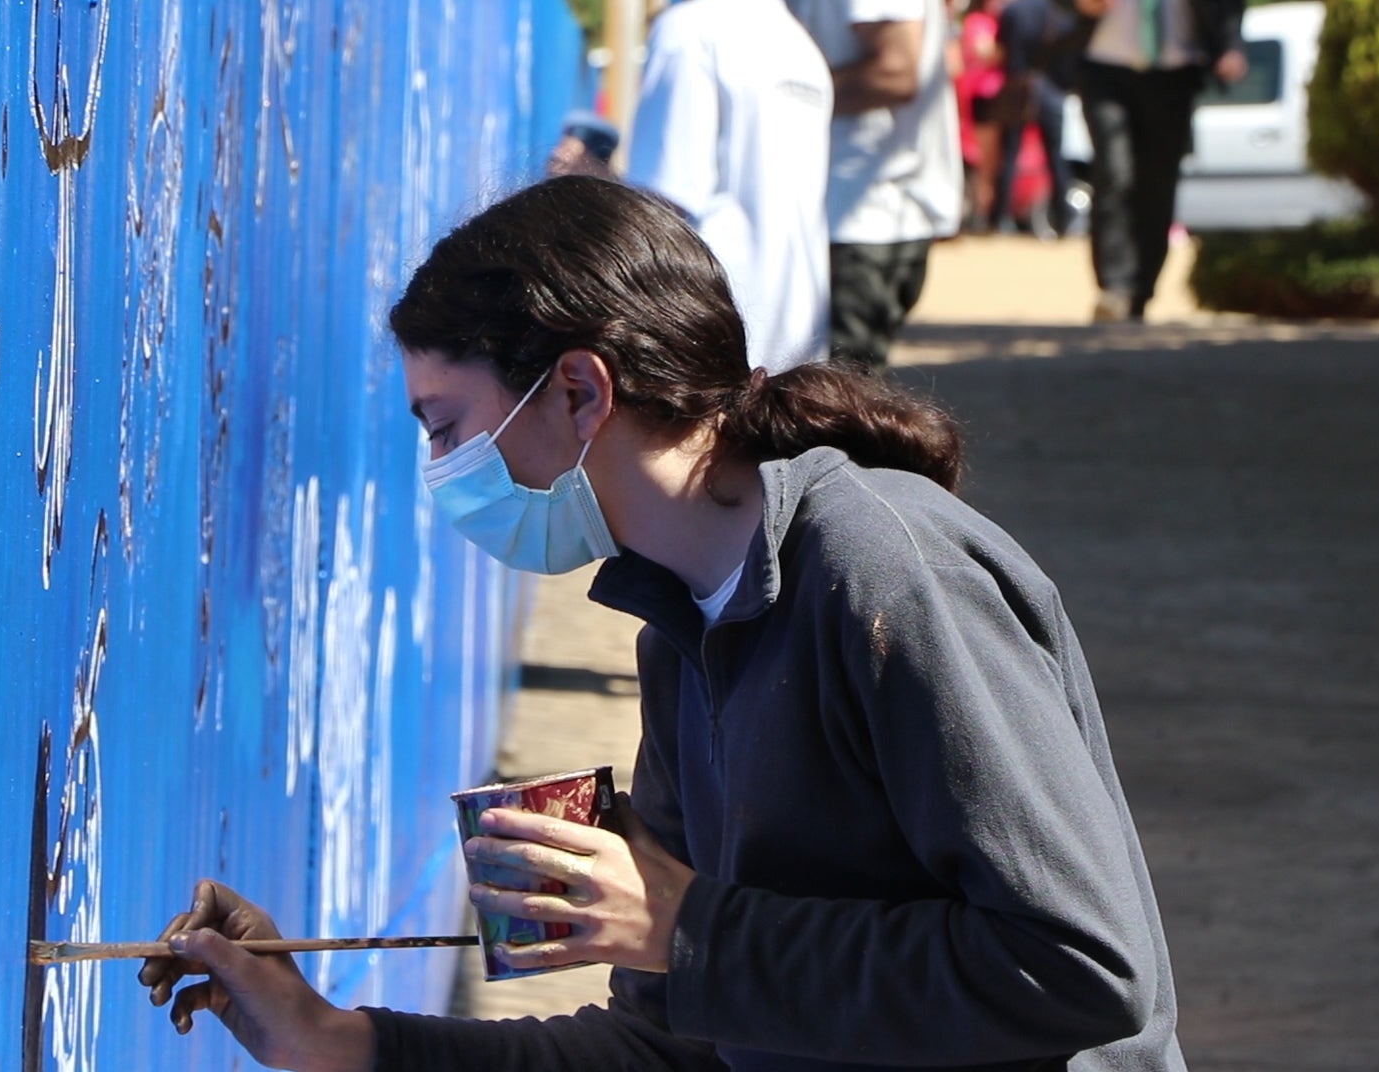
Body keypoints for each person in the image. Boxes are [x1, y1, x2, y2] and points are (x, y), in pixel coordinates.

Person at [139, 175, 1188, 1072]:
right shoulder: (678, 625)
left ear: (581, 392)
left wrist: (689, 927)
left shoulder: (885, 575)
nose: (442, 475)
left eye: (447, 428)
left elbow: (1089, 969)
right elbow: (668, 1048)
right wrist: (337, 1039)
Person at [622, 0, 835, 374]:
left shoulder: (687, 31)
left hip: (708, 340)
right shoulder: (800, 45)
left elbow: (659, 205)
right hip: (796, 343)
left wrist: (583, 177)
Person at [780, 0, 964, 369]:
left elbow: (895, 70)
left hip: (863, 217)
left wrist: (775, 96)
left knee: (837, 404)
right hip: (847, 214)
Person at [1056, 0, 1245, 321]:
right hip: (1105, 68)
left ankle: (1140, 290)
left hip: (1176, 72)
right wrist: (1078, 0)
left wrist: (1231, 45)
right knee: (1114, 172)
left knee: (1158, 184)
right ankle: (1114, 287)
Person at [990, 0, 1080, 235]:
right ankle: (1065, 218)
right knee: (1056, 157)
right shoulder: (1059, 10)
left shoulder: (1012, 10)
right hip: (1051, 89)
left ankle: (1001, 218)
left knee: (1009, 154)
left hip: (1017, 88)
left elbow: (1000, 49)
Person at [959, 0, 1014, 232]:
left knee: (995, 163)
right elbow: (983, 52)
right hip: (983, 96)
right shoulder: (978, 21)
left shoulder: (1001, 23)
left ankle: (988, 213)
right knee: (985, 162)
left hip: (998, 96)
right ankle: (980, 215)